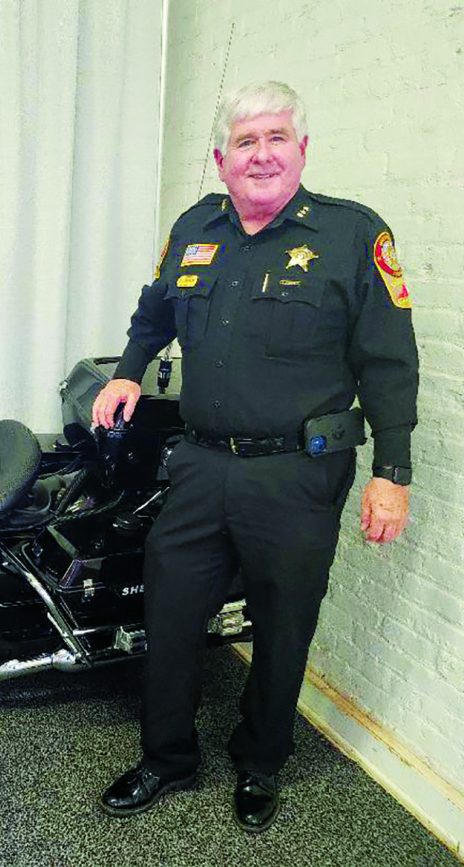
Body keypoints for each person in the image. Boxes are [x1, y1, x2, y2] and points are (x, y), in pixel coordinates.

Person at [91, 81, 418, 833]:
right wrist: (128, 370)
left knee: (282, 623)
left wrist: (391, 475)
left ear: (303, 148)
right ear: (221, 158)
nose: (262, 153)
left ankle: (261, 759)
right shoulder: (194, 227)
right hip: (201, 465)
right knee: (169, 613)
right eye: (245, 141)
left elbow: (389, 365)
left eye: (277, 137)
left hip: (298, 475)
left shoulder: (351, 237)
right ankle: (167, 758)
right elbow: (155, 310)